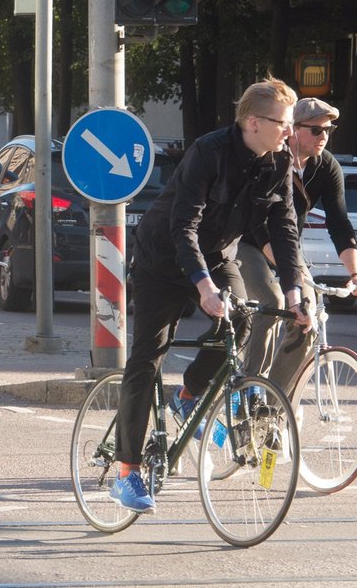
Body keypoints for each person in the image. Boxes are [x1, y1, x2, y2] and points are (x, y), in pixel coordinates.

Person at [111, 77, 313, 514]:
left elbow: (284, 227)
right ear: (254, 122)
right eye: (284, 123)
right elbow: (182, 224)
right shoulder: (209, 151)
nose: (289, 133)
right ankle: (127, 470)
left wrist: (295, 291)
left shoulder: (278, 161)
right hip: (163, 258)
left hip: (219, 255)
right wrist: (202, 286)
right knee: (147, 358)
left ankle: (189, 395)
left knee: (241, 319)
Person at [238, 98, 357, 398]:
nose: (323, 136)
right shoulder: (273, 159)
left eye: (328, 130)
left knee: (306, 319)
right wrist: (290, 275)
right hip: (247, 242)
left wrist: (356, 274)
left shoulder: (327, 167)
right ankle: (249, 386)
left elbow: (339, 223)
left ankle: (271, 404)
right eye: (315, 130)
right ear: (293, 130)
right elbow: (257, 224)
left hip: (286, 244)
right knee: (273, 302)